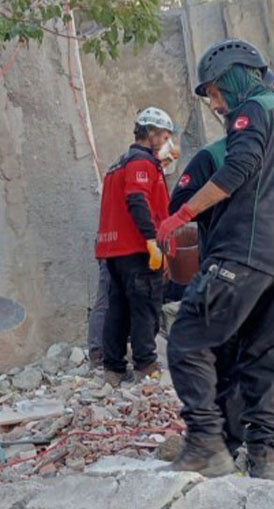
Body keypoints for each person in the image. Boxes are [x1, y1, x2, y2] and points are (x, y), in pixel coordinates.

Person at [158, 38, 274, 479]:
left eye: (216, 91)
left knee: (188, 338)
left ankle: (205, 442)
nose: (217, 103)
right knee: (260, 360)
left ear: (235, 76)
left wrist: (183, 215)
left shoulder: (254, 112)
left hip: (244, 250)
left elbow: (237, 169)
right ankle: (263, 458)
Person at [170, 135, 274, 474]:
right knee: (240, 365)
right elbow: (180, 202)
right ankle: (228, 445)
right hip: (235, 273)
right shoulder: (214, 156)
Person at [95, 107, 174, 386]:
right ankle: (145, 365)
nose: (166, 142)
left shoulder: (118, 164)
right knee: (145, 307)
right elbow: (137, 200)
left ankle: (113, 368)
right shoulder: (141, 164)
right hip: (137, 249)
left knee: (118, 308)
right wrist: (153, 240)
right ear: (150, 133)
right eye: (164, 136)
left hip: (113, 250)